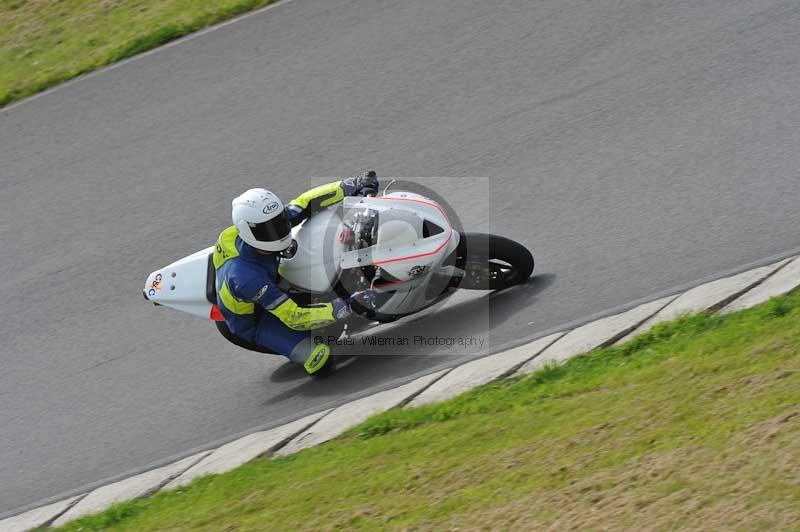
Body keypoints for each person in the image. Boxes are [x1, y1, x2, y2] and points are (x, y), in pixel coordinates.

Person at [213, 172, 380, 376]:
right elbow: (294, 317)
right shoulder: (248, 279)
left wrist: (349, 185)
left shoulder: (265, 226)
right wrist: (344, 308)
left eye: (279, 222)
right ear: (248, 233)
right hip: (256, 320)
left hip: (266, 273)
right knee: (320, 359)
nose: (279, 231)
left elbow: (303, 203)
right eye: (268, 230)